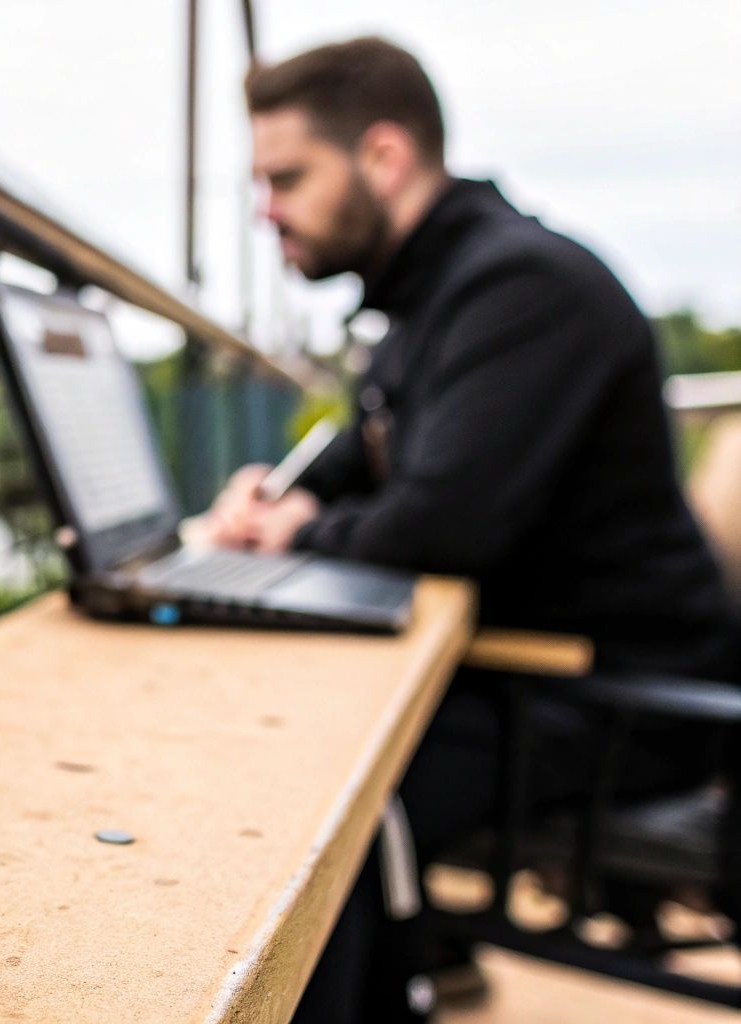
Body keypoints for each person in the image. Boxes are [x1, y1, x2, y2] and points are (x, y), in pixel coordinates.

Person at [205, 36, 740, 1022]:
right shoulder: (432, 295)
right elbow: (369, 444)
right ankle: (419, 958)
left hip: (625, 699)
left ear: (382, 157)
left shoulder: (518, 289)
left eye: (285, 177)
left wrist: (291, 537)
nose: (264, 209)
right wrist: (274, 493)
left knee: (317, 802)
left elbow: (439, 522)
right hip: (539, 667)